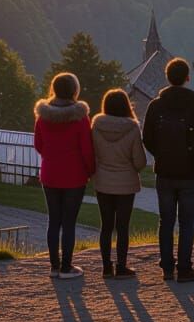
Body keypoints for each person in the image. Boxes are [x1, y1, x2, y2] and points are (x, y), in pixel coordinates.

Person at [141, 56, 194, 283]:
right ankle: (184, 268)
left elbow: (147, 138)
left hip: (165, 172)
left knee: (166, 221)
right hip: (191, 172)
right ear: (187, 78)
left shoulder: (155, 106)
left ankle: (166, 267)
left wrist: (161, 156)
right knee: (186, 222)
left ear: (167, 77)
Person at [33, 71, 95, 280]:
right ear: (74, 91)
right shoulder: (80, 118)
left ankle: (54, 266)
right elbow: (86, 149)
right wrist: (90, 170)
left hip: (49, 174)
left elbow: (38, 145)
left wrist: (52, 157)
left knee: (54, 221)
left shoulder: (42, 116)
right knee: (69, 222)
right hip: (74, 177)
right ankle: (67, 267)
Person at [91, 88, 147, 280]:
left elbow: (92, 155)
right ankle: (121, 266)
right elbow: (139, 162)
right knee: (122, 226)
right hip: (125, 184)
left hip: (103, 182)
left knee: (106, 226)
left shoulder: (96, 126)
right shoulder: (132, 129)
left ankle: (106, 267)